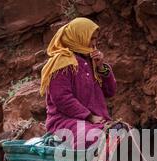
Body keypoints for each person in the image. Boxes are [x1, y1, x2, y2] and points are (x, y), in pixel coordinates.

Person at [40, 17, 117, 149]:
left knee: (127, 135)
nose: (94, 43)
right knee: (92, 138)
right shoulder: (62, 62)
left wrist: (101, 67)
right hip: (64, 120)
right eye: (91, 38)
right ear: (79, 37)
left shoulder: (92, 60)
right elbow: (62, 98)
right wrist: (89, 116)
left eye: (95, 39)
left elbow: (110, 91)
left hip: (96, 120)